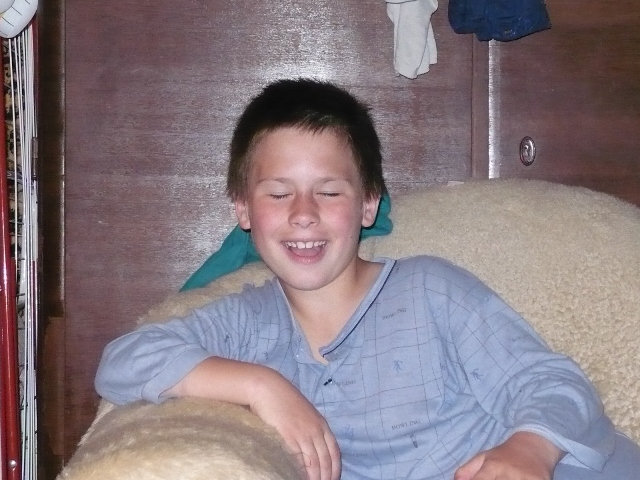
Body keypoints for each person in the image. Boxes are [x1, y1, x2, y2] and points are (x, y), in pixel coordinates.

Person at [95, 78, 640, 480]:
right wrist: (263, 387)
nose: (303, 214)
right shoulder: (246, 322)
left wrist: (527, 450)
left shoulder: (430, 289)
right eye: (279, 193)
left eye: (329, 191)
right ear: (243, 209)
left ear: (368, 204)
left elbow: (551, 383)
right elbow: (124, 361)